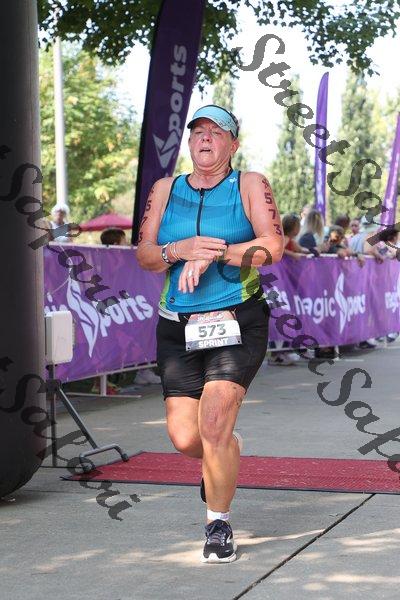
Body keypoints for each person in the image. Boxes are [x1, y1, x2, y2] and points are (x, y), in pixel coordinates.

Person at [137, 104, 284, 563]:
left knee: (215, 421)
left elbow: (273, 247)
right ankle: (226, 452)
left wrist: (213, 252)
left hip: (236, 318)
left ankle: (217, 524)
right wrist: (179, 249)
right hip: (177, 323)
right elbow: (145, 255)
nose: (204, 138)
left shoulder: (250, 184)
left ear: (232, 144)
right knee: (187, 438)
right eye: (197, 131)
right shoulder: (165, 188)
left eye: (216, 132)